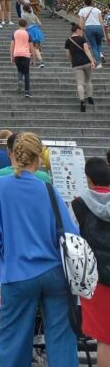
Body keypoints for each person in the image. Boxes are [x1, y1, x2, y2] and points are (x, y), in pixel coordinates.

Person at [0, 131, 80, 366]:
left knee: (13, 341)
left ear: (11, 155)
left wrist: (7, 248)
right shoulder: (48, 188)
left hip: (18, 271)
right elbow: (71, 233)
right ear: (39, 157)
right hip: (56, 272)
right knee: (62, 339)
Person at [72, 157, 110, 367]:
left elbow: (72, 240)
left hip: (96, 278)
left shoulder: (78, 205)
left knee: (105, 339)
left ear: (88, 179)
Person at [65, 23, 97, 112]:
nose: (82, 32)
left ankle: (82, 101)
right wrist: (92, 61)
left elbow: (67, 55)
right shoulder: (82, 39)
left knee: (80, 83)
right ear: (77, 30)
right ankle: (90, 98)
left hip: (76, 64)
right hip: (86, 62)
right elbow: (86, 50)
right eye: (81, 31)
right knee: (88, 80)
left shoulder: (68, 41)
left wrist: (72, 60)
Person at [78, 0, 105, 66]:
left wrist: (81, 29)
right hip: (98, 27)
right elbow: (101, 21)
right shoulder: (97, 10)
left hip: (89, 28)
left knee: (93, 46)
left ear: (84, 3)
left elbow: (81, 22)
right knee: (99, 43)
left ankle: (98, 63)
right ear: (91, 3)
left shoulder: (82, 10)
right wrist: (103, 30)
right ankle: (101, 54)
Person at [10, 19, 32, 98]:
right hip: (26, 54)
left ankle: (19, 81)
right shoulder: (28, 33)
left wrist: (11, 56)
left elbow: (12, 45)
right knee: (26, 73)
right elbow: (31, 46)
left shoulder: (15, 33)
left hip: (17, 54)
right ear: (26, 25)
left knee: (20, 70)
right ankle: (27, 91)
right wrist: (33, 57)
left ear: (19, 24)